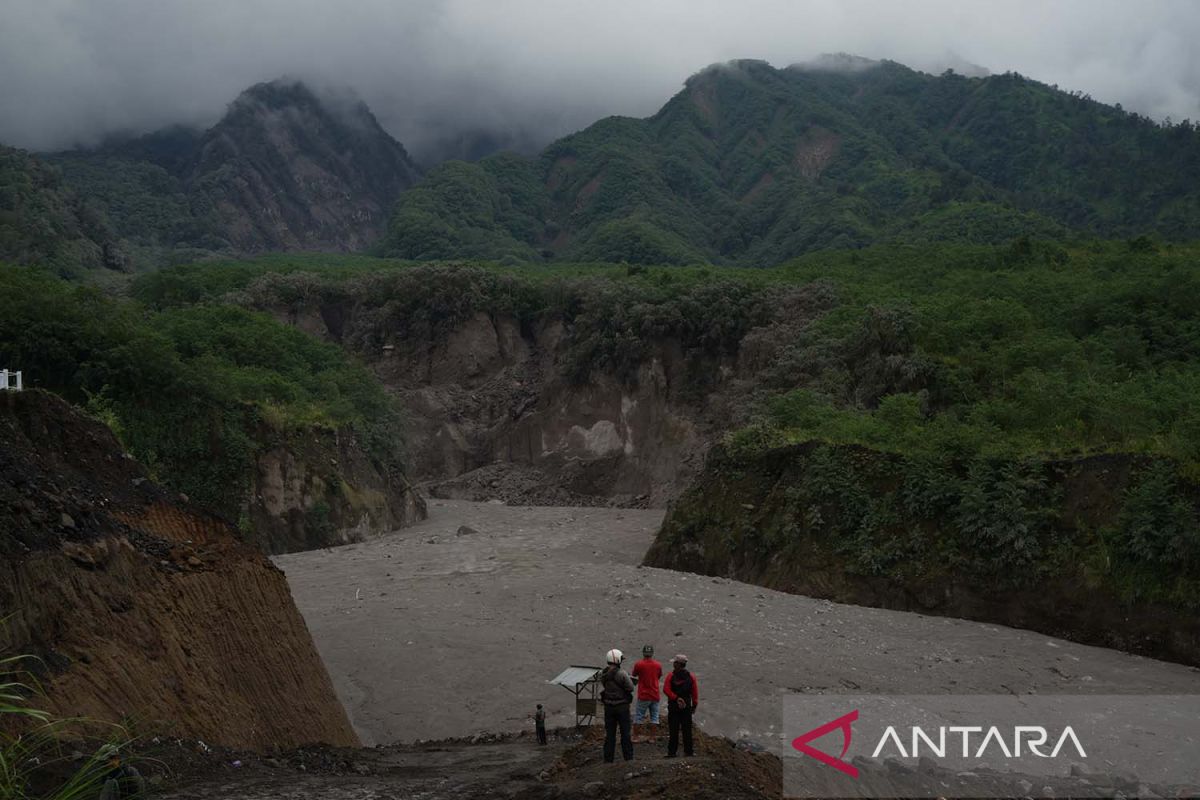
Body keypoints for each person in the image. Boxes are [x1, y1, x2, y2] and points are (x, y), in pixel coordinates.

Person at [598, 648, 635, 763]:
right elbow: (630, 688)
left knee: (610, 735)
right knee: (625, 733)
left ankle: (608, 759)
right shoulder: (622, 674)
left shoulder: (602, 674)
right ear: (617, 660)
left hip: (608, 708)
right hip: (622, 707)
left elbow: (603, 685)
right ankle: (628, 758)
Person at [663, 653, 698, 758]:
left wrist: (675, 698)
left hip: (674, 706)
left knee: (673, 730)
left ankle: (672, 752)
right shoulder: (691, 677)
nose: (673, 663)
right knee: (687, 730)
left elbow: (666, 690)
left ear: (677, 664)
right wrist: (694, 706)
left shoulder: (670, 676)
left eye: (675, 662)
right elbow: (694, 693)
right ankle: (689, 752)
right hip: (686, 707)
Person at [630, 644, 663, 743]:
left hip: (643, 695)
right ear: (652, 653)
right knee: (654, 717)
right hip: (655, 694)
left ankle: (635, 737)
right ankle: (652, 738)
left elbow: (634, 674)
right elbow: (659, 676)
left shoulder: (639, 664)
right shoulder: (658, 665)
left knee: (639, 716)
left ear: (643, 653)